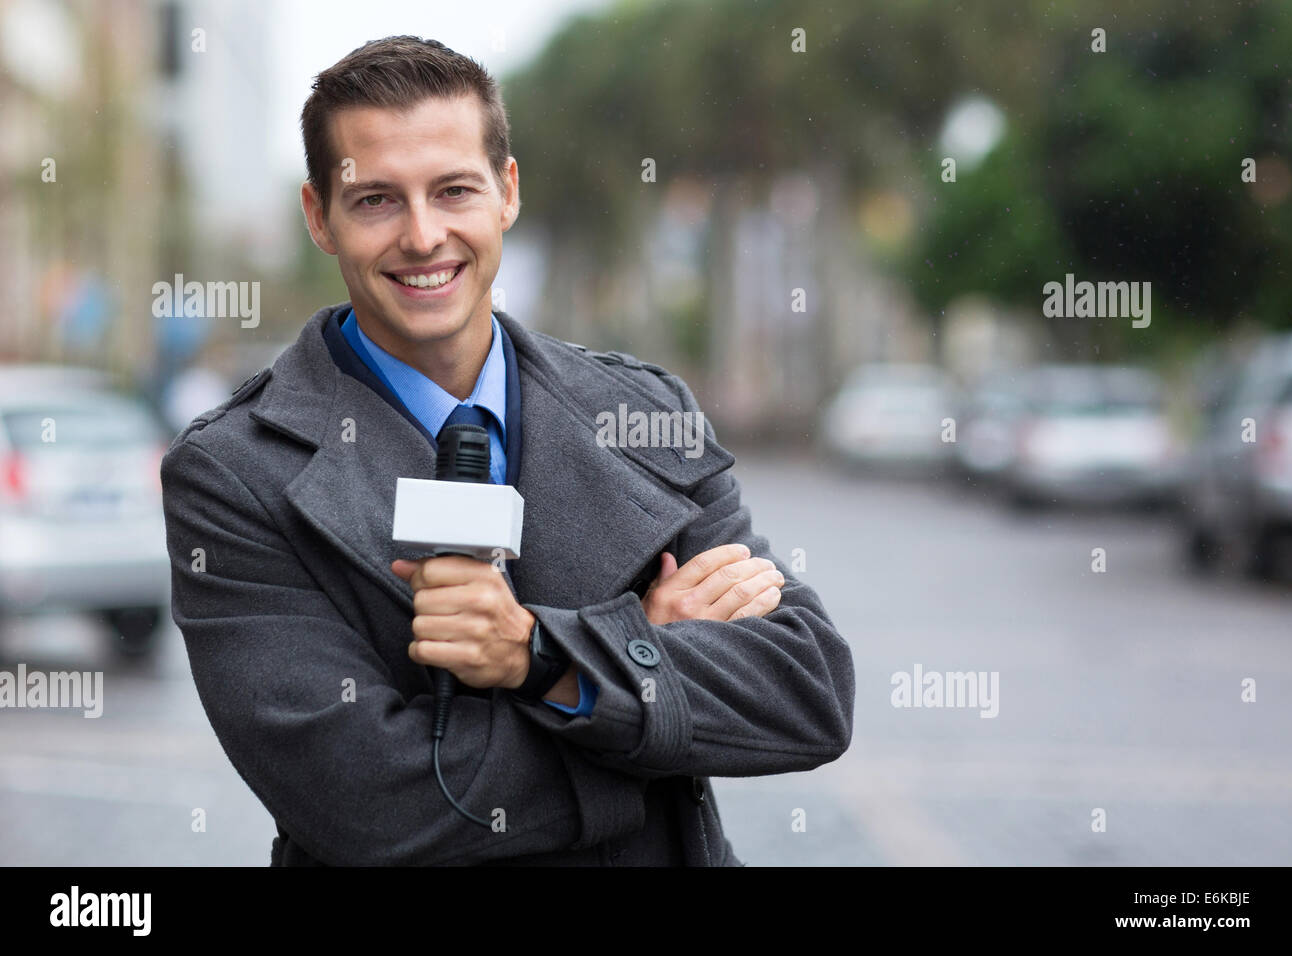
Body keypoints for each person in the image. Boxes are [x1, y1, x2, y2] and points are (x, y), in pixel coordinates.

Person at [160, 35, 855, 866]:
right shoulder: (233, 473)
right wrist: (641, 667)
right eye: (377, 199)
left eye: (454, 190)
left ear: (507, 193)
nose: (423, 237)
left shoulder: (646, 409)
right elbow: (373, 807)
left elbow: (806, 691)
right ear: (320, 217)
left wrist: (541, 657)